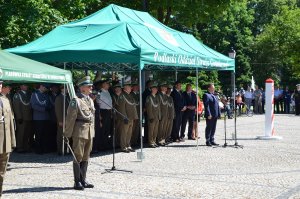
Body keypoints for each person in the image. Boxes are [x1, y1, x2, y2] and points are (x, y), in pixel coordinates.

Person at [65, 76, 95, 190]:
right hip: (79, 132)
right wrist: (67, 134)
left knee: (86, 157)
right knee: (78, 156)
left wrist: (93, 132)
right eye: (89, 86)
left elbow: (92, 117)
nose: (91, 87)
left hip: (89, 132)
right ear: (82, 88)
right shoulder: (75, 101)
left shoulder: (90, 100)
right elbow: (70, 118)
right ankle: (77, 181)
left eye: (91, 86)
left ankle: (83, 179)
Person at [0, 80, 16, 197]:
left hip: (5, 142)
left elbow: (10, 122)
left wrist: (12, 141)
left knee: (2, 170)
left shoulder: (5, 100)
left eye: (0, 84)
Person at [30, 84, 51, 154]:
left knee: (45, 134)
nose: (46, 89)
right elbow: (33, 106)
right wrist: (44, 109)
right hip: (38, 118)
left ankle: (44, 148)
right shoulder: (34, 94)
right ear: (41, 86)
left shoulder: (46, 95)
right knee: (38, 134)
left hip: (46, 117)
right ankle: (38, 149)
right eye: (45, 87)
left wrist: (48, 108)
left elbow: (48, 104)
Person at [118, 81, 138, 152]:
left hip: (131, 117)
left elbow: (133, 107)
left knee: (129, 133)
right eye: (129, 87)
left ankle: (128, 145)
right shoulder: (122, 96)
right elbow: (122, 108)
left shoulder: (129, 95)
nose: (131, 88)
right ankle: (123, 146)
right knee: (124, 133)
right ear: (125, 88)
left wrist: (135, 116)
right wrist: (124, 117)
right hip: (126, 118)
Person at [13, 84, 33, 153]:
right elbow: (16, 107)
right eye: (25, 85)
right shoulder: (17, 95)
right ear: (21, 86)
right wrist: (19, 117)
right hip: (22, 117)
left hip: (29, 117)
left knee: (27, 133)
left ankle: (25, 146)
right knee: (21, 133)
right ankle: (19, 147)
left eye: (27, 85)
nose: (26, 86)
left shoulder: (29, 94)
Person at [96, 79, 113, 150]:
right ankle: (101, 146)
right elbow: (98, 104)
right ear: (103, 85)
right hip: (103, 112)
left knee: (107, 129)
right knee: (102, 130)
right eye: (107, 84)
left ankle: (106, 145)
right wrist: (99, 115)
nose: (109, 85)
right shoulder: (99, 92)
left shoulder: (108, 92)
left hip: (108, 112)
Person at [55, 85, 70, 155]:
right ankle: (60, 150)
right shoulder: (59, 98)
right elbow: (58, 110)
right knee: (60, 135)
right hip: (62, 120)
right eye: (65, 88)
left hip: (67, 119)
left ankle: (66, 149)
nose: (67, 90)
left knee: (66, 134)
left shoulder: (67, 97)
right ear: (62, 89)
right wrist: (60, 120)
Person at [145, 82, 161, 148]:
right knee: (151, 130)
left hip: (157, 116)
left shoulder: (157, 97)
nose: (155, 90)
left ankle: (154, 141)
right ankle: (151, 142)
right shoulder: (149, 97)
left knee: (155, 130)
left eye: (156, 89)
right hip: (152, 116)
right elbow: (149, 108)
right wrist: (150, 116)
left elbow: (159, 107)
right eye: (154, 89)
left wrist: (159, 115)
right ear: (152, 89)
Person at [49, 84, 59, 152]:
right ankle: (51, 147)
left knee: (57, 133)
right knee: (51, 133)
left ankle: (56, 146)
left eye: (56, 88)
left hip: (58, 117)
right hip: (51, 117)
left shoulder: (59, 96)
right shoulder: (49, 96)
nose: (55, 89)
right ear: (51, 89)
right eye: (54, 88)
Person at [130, 82, 140, 147]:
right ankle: (130, 141)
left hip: (138, 113)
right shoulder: (131, 95)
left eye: (137, 87)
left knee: (137, 128)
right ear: (132, 88)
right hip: (133, 113)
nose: (137, 88)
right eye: (136, 87)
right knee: (132, 129)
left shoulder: (138, 94)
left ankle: (135, 141)